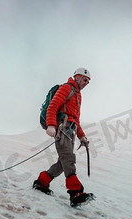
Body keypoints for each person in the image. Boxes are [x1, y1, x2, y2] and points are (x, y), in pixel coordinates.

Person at [33, 67, 94, 207]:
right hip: (62, 128)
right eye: (85, 79)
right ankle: (76, 193)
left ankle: (41, 183)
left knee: (63, 162)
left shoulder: (78, 96)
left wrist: (82, 137)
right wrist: (51, 125)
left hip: (70, 130)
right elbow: (53, 106)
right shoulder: (67, 88)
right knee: (68, 158)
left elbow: (76, 120)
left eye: (88, 81)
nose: (86, 83)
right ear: (77, 77)